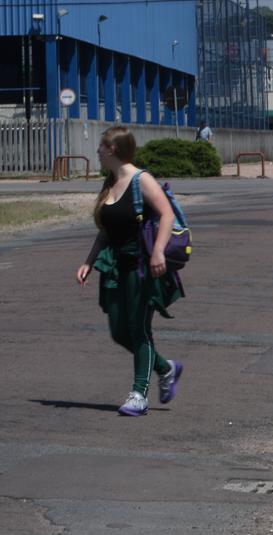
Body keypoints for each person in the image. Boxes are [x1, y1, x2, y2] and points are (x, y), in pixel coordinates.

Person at [76, 126, 184, 416]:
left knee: (139, 329)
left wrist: (159, 250)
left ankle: (139, 394)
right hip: (114, 264)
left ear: (112, 150)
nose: (97, 152)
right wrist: (89, 260)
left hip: (142, 264)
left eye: (100, 147)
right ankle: (166, 368)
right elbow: (106, 230)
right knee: (119, 330)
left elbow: (166, 214)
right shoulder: (110, 182)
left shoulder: (141, 179)